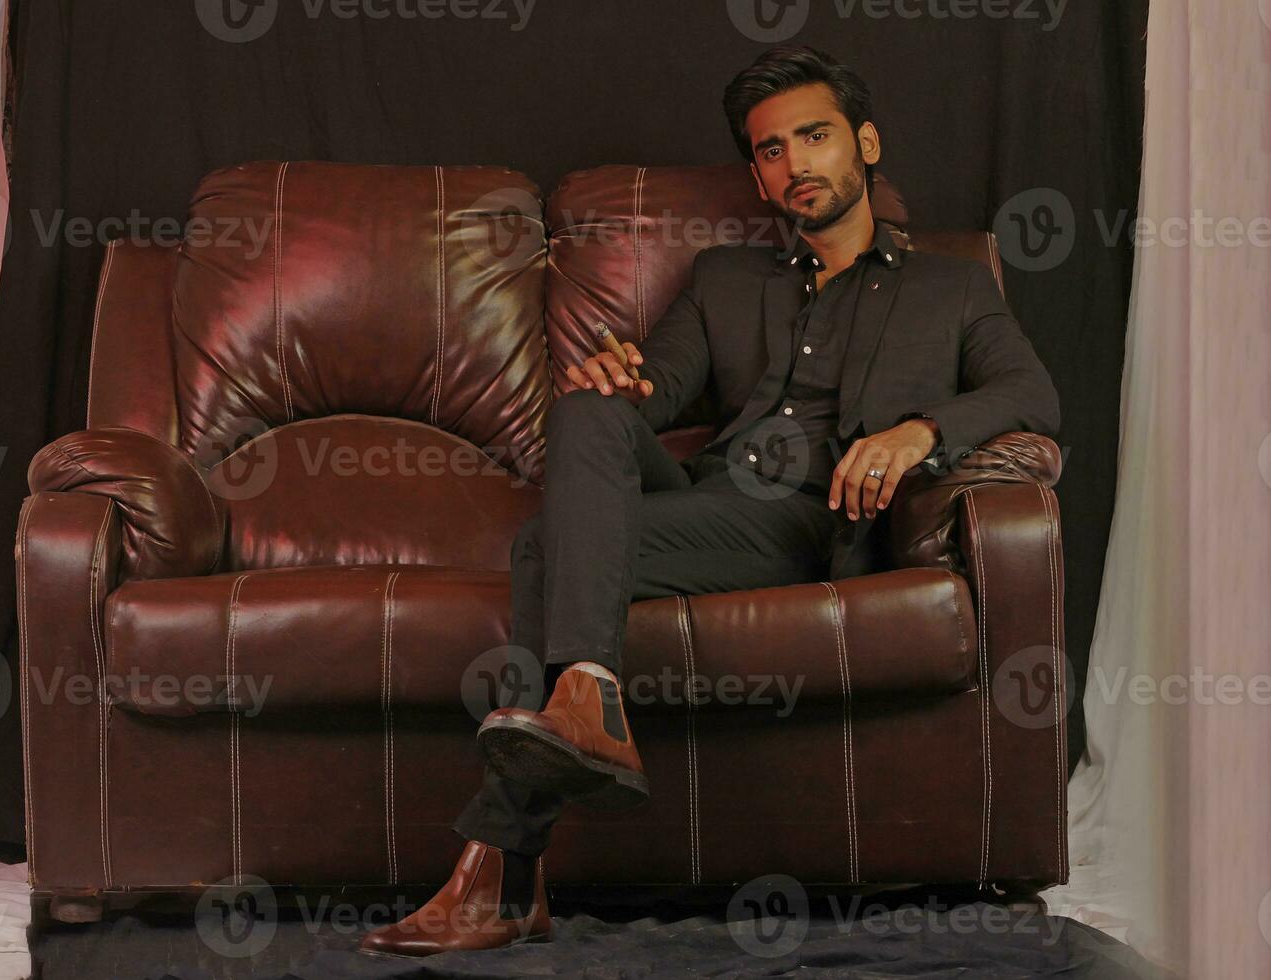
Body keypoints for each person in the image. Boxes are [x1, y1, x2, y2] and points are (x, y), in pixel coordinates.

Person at [358, 43, 1060, 957]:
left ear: (866, 143)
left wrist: (918, 431)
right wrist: (623, 379)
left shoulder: (951, 285)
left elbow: (1030, 395)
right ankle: (584, 705)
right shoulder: (728, 280)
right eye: (770, 151)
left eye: (814, 137)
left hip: (811, 517)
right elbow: (658, 384)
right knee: (587, 409)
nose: (794, 164)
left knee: (543, 550)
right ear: (759, 177)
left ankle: (501, 867)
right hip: (709, 500)